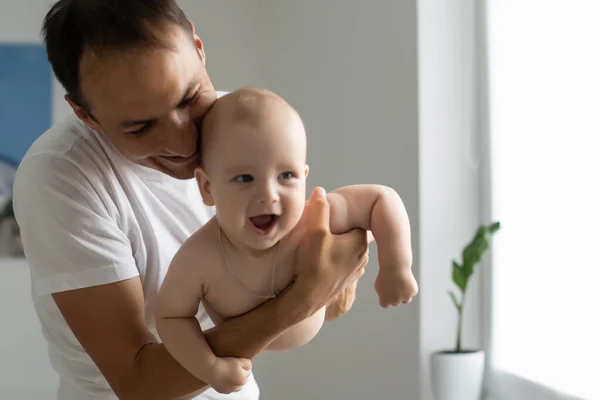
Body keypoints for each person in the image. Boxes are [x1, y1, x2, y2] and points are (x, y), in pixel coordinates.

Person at [11, 1, 371, 399]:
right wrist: (299, 301)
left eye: (188, 98)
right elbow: (139, 381)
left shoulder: (242, 126)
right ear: (86, 115)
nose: (185, 143)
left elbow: (328, 290)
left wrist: (324, 282)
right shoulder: (62, 175)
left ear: (198, 48)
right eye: (141, 127)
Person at [155, 87, 418, 394]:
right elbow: (172, 317)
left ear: (305, 176)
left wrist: (396, 265)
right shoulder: (200, 258)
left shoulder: (314, 217)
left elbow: (381, 199)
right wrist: (209, 367)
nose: (269, 194)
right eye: (244, 179)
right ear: (208, 188)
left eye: (286, 176)